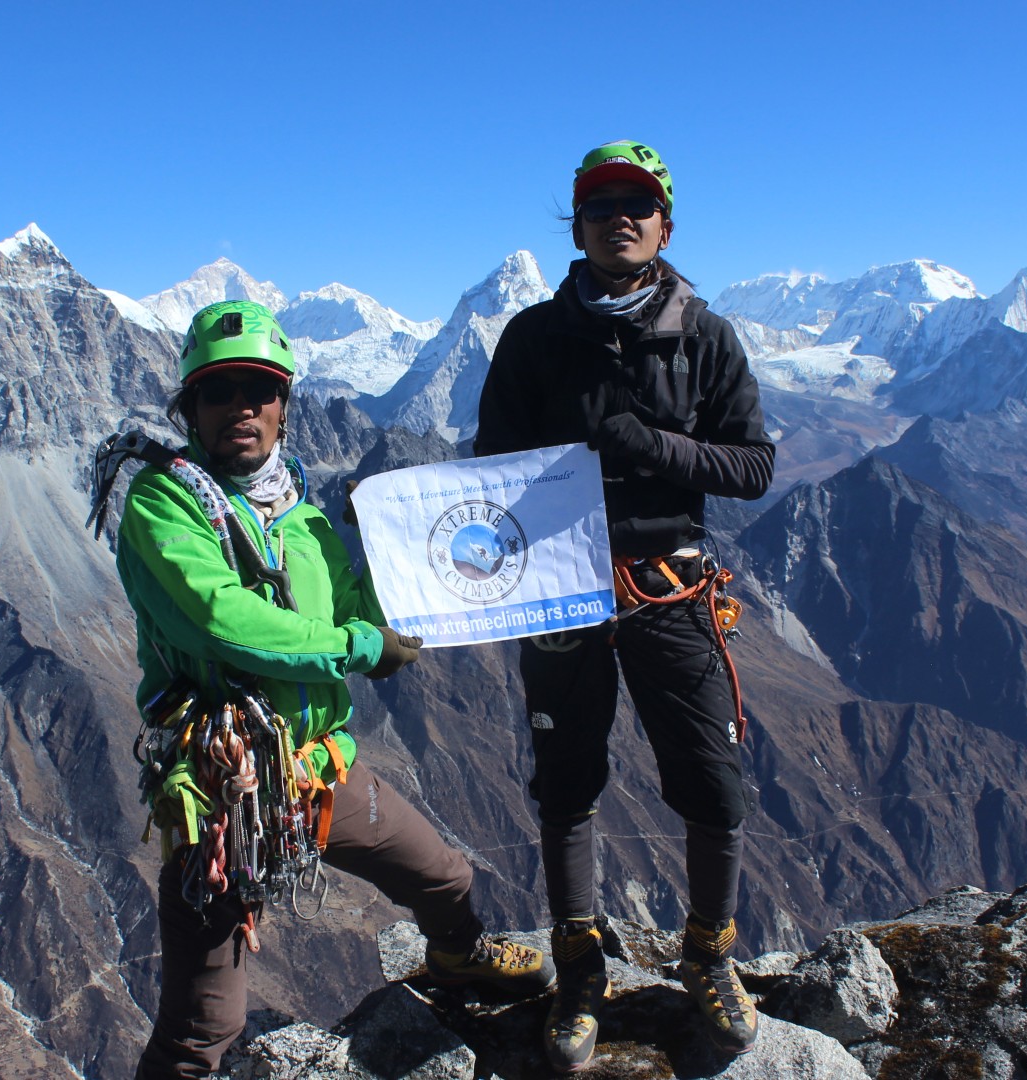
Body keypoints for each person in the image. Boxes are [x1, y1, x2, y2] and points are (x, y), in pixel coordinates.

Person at [104, 300, 554, 1079]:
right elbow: (224, 622)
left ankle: (457, 959)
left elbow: (358, 612)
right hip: (225, 786)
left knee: (444, 877)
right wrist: (357, 646)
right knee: (204, 1023)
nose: (242, 407)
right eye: (220, 392)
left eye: (260, 389)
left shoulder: (305, 515)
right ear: (191, 408)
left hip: (314, 767)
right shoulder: (161, 503)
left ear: (283, 406)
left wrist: (389, 555)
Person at [474, 141, 776, 1070]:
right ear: (578, 224)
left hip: (668, 583)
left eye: (637, 203)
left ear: (665, 224)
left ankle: (709, 955)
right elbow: (491, 464)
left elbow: (752, 467)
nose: (619, 217)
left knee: (710, 779)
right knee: (566, 779)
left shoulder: (706, 337)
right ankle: (579, 967)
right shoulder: (532, 338)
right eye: (600, 203)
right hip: (562, 587)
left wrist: (646, 446)